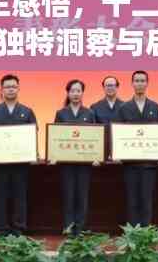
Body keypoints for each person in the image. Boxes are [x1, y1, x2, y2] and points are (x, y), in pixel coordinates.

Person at [0, 74, 37, 236]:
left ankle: (18, 229)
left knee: (20, 197)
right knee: (0, 197)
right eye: (7, 87)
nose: (11, 89)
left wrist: (33, 153)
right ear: (1, 90)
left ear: (18, 89)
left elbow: (33, 134)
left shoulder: (27, 111)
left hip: (20, 164)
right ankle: (1, 230)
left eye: (13, 86)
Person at [116, 70, 158, 227]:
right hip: (130, 164)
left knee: (147, 199)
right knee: (132, 200)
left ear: (147, 83)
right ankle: (133, 234)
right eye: (137, 81)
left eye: (142, 81)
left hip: (149, 164)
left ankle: (146, 235)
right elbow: (117, 133)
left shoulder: (155, 107)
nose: (140, 83)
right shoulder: (124, 108)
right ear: (132, 84)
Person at [54, 79, 96, 236]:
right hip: (67, 163)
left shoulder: (89, 113)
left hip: (84, 163)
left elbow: (95, 137)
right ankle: (68, 227)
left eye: (78, 91)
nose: (76, 94)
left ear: (82, 93)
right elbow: (55, 137)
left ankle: (81, 228)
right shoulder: (61, 113)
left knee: (82, 196)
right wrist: (54, 155)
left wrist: (96, 156)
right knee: (68, 195)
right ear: (68, 93)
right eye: (72, 91)